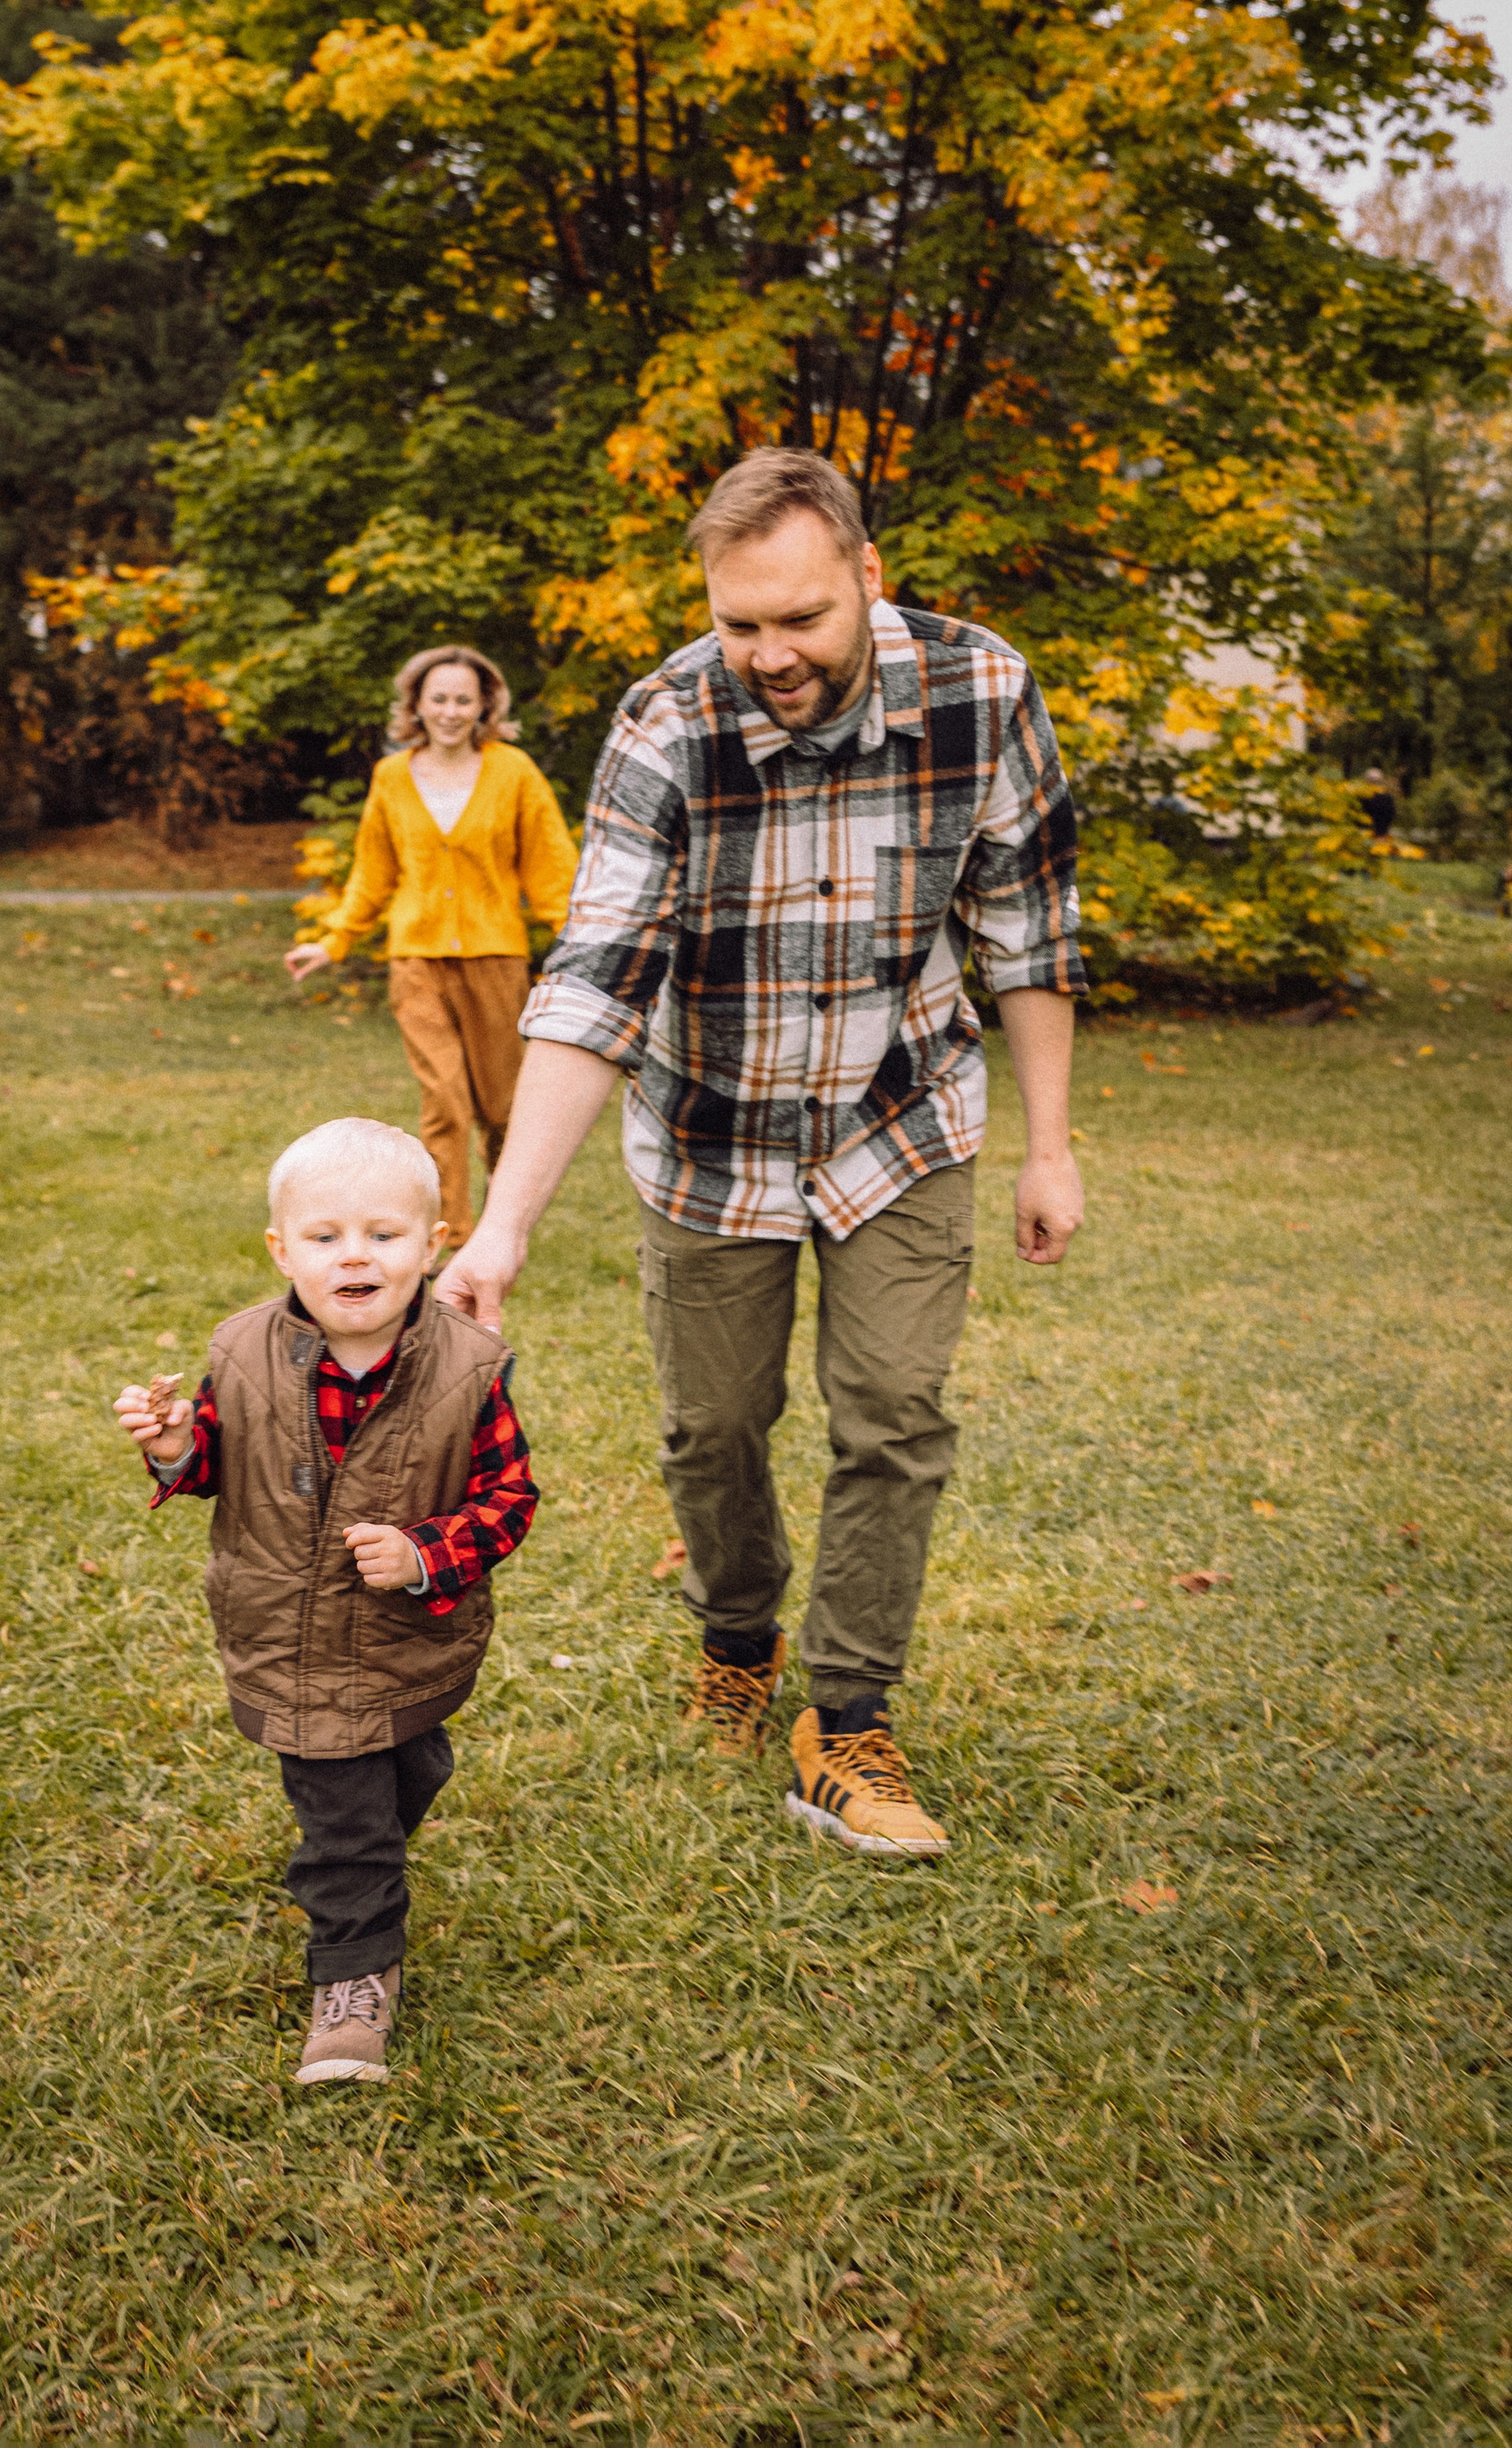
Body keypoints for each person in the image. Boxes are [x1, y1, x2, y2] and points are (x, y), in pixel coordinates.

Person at [436, 448, 1085, 1863]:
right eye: (740, 624)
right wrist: (503, 1224)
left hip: (899, 1114)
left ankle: (846, 1716)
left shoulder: (984, 693)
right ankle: (738, 1631)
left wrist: (1052, 1145)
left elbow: (1029, 931)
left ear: (868, 576)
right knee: (713, 1427)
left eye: (800, 617)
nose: (769, 655)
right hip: (712, 1132)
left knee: (894, 1412)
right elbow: (598, 972)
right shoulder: (667, 719)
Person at [113, 1116, 537, 2085]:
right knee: (346, 1825)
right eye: (325, 1236)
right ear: (282, 1249)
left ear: (432, 1244)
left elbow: (509, 1499)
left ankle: (362, 1854)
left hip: (408, 1641)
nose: (355, 1254)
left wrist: (428, 1551)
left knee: (408, 1768)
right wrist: (175, 1444)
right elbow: (216, 1463)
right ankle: (353, 1983)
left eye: (384, 1235)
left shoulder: (470, 1367)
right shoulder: (245, 1351)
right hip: (290, 1642)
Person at [284, 646, 577, 1247]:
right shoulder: (392, 776)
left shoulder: (514, 771)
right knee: (444, 1099)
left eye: (463, 699)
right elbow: (373, 871)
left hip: (495, 958)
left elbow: (551, 867)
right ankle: (455, 1235)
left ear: (483, 705)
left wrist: (582, 938)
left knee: (501, 1107)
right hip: (416, 959)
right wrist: (335, 940)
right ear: (416, 705)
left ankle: (505, 1219)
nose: (450, 711)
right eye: (437, 698)